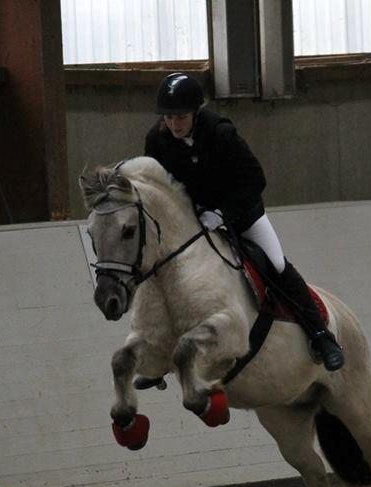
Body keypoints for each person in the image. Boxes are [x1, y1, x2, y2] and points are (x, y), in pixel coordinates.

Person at [144, 73, 344, 371]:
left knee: (275, 265)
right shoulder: (157, 140)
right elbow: (156, 187)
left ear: (196, 111)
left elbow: (254, 179)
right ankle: (156, 352)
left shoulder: (220, 133)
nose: (174, 124)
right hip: (192, 222)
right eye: (169, 117)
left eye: (181, 117)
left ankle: (320, 335)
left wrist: (222, 213)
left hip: (241, 213)